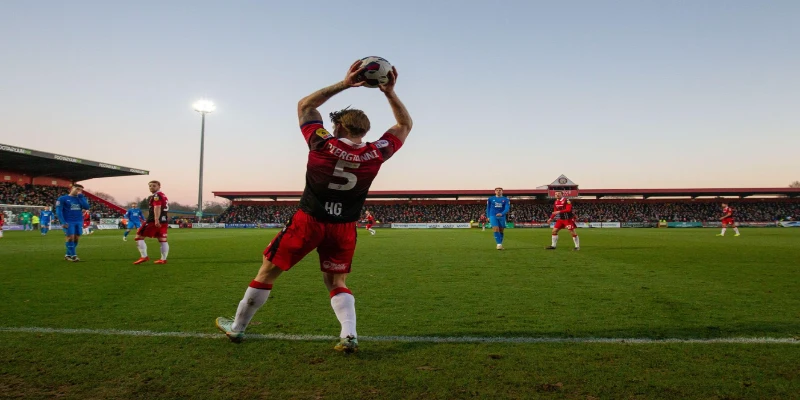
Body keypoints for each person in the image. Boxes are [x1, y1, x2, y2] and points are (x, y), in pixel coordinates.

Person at [215, 60, 412, 353]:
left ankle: (238, 328)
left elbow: (305, 105)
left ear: (337, 126)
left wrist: (346, 83)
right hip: (344, 227)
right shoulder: (377, 153)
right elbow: (404, 125)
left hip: (308, 220)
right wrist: (390, 92)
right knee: (336, 281)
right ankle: (349, 335)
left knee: (267, 272)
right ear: (366, 129)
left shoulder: (321, 143)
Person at [133, 181, 170, 264]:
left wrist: (156, 219)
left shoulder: (156, 196)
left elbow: (157, 207)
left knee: (139, 236)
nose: (151, 187)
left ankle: (144, 257)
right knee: (162, 240)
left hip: (153, 221)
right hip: (164, 221)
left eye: (154, 186)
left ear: (159, 186)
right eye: (150, 186)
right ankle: (163, 259)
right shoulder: (163, 195)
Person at [55, 184, 90, 261]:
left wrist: (81, 197)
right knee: (70, 237)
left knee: (76, 239)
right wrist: (63, 222)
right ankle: (74, 256)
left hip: (79, 221)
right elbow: (58, 211)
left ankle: (67, 255)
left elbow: (87, 207)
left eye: (80, 190)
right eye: (77, 189)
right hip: (68, 221)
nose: (79, 191)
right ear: (72, 188)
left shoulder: (80, 198)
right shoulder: (62, 198)